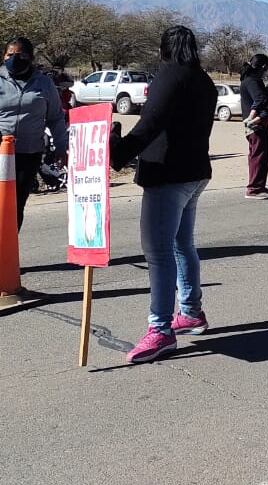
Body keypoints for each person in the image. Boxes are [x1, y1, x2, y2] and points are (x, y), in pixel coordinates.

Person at [110, 25, 218, 364]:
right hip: (195, 173)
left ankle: (160, 330)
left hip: (168, 176)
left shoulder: (169, 78)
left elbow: (149, 124)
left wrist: (117, 152)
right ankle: (189, 311)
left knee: (157, 252)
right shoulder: (204, 80)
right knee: (181, 244)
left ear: (163, 50)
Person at [0, 37, 67, 279]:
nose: (12, 59)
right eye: (8, 54)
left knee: (14, 207)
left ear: (30, 58)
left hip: (27, 154)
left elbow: (56, 117)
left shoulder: (44, 84)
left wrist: (61, 146)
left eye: (19, 55)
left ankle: (3, 252)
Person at [239, 54, 268, 199]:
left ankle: (259, 185)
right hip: (256, 125)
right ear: (262, 67)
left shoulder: (250, 80)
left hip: (258, 124)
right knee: (258, 156)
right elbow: (260, 99)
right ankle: (253, 189)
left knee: (262, 155)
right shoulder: (252, 81)